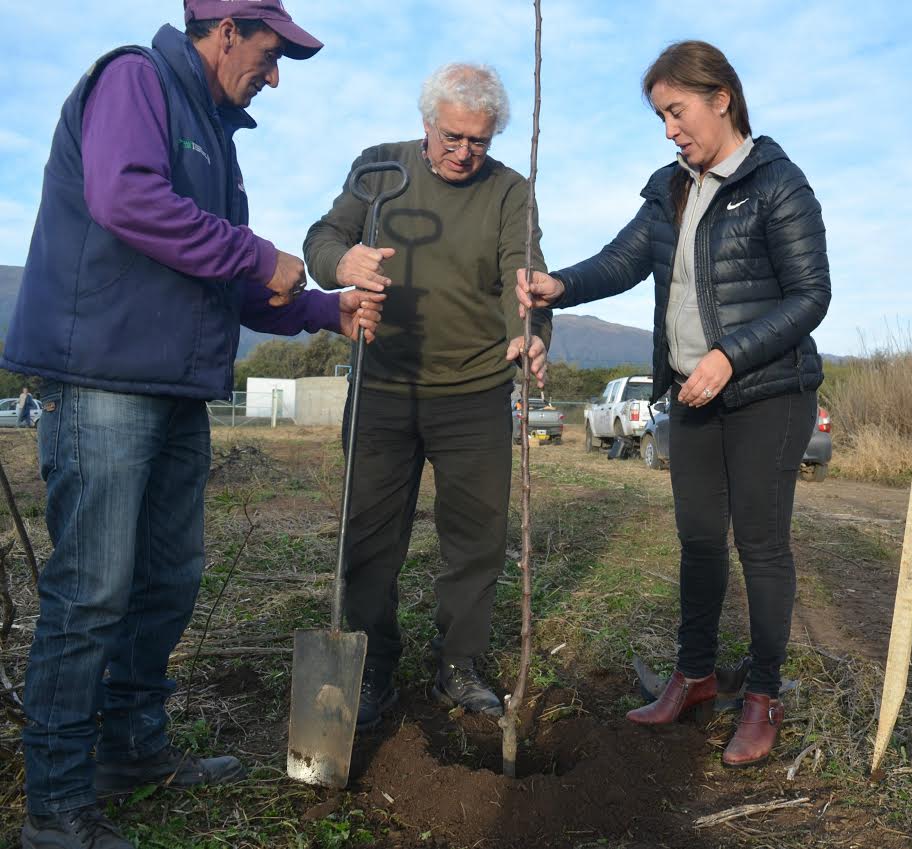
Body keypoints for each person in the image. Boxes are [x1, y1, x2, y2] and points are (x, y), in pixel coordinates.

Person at [1, 3, 385, 847]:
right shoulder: (135, 81)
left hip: (174, 387)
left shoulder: (217, 141)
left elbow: (228, 273)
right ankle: (57, 810)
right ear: (225, 30)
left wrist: (324, 307)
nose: (275, 74)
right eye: (270, 52)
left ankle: (132, 750)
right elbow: (125, 198)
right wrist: (258, 254)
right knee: (91, 591)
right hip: (103, 377)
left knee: (169, 579)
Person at [518, 40, 830, 767]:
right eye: (659, 116)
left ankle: (760, 696)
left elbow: (810, 295)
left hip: (766, 393)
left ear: (720, 98)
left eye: (676, 111)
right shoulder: (669, 186)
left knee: (759, 543)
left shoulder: (778, 183)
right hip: (690, 394)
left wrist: (728, 355)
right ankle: (692, 677)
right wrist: (556, 283)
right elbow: (624, 260)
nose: (668, 129)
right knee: (696, 539)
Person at [304, 63, 551, 730]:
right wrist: (342, 264)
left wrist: (527, 331)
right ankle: (372, 664)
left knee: (476, 540)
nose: (464, 151)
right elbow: (321, 240)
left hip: (473, 390)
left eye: (479, 140)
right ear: (425, 124)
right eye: (451, 137)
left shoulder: (510, 191)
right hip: (383, 388)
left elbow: (519, 272)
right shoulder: (378, 169)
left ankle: (459, 664)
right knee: (369, 538)